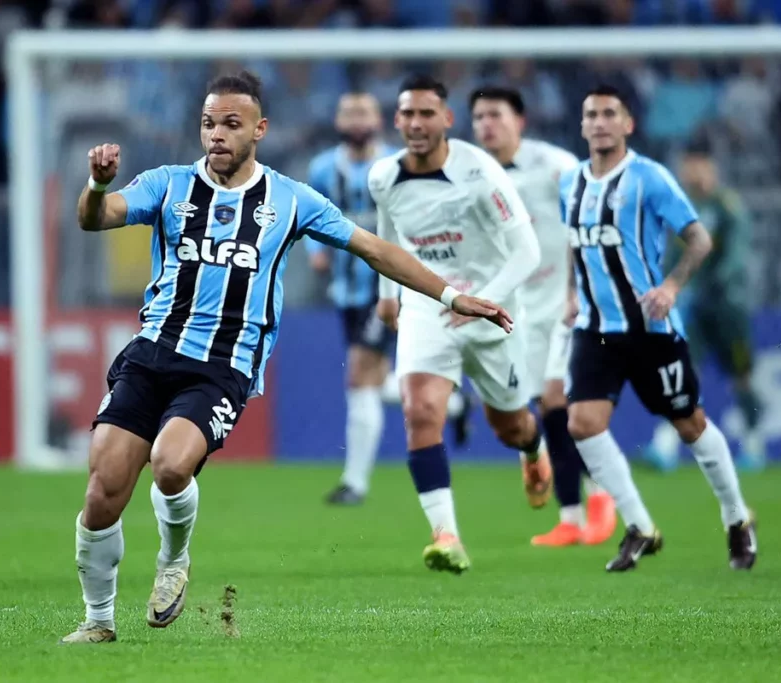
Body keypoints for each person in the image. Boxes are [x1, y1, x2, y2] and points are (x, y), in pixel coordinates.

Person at [62, 71, 513, 644]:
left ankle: (173, 561)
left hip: (225, 364)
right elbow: (94, 217)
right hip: (151, 351)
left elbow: (374, 248)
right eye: (208, 124)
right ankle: (99, 621)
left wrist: (450, 295)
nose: (217, 135)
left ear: (260, 129)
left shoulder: (290, 199)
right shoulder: (168, 185)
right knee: (103, 488)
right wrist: (98, 185)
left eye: (231, 124)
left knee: (172, 465)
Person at [562, 85, 757, 573]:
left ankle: (736, 517)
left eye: (611, 114)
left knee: (688, 422)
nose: (600, 122)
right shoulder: (570, 182)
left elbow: (699, 238)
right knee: (583, 424)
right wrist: (570, 291)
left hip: (651, 329)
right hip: (596, 328)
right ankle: (640, 527)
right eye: (592, 114)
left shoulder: (650, 178)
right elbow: (576, 244)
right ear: (582, 125)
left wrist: (670, 286)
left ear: (628, 124)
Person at [369, 74, 551, 575]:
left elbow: (527, 251)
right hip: (429, 304)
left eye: (427, 113)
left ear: (447, 120)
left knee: (508, 425)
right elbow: (389, 233)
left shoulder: (480, 173)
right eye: (407, 113)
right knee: (420, 409)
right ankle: (445, 534)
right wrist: (388, 296)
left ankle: (533, 447)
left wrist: (481, 300)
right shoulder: (384, 176)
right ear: (397, 120)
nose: (416, 123)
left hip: (494, 310)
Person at [306, 92, 471, 506]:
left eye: (362, 112)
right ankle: (452, 403)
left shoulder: (398, 167)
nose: (355, 119)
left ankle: (354, 484)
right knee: (371, 382)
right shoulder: (323, 168)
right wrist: (316, 252)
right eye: (347, 112)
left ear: (380, 119)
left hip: (390, 288)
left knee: (360, 375)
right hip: (346, 291)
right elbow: (307, 218)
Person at [469, 85, 617, 548]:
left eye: (495, 114)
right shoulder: (471, 173)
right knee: (544, 410)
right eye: (478, 117)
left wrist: (583, 288)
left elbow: (588, 221)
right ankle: (572, 517)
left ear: (520, 121)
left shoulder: (555, 166)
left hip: (565, 302)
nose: (486, 125)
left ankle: (603, 498)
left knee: (556, 399)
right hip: (517, 310)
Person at [644, 138, 765, 472]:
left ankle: (754, 444)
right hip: (694, 308)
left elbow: (736, 255)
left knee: (742, 376)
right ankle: (665, 447)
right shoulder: (682, 209)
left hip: (728, 306)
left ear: (710, 167)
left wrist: (713, 284)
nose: (689, 171)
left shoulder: (727, 206)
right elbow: (672, 257)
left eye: (695, 163)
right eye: (686, 164)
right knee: (684, 371)